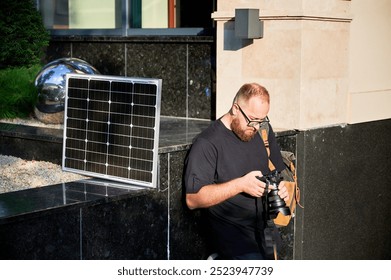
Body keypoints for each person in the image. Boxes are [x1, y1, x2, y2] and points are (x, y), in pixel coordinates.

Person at [184, 82, 289, 260]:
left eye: (262, 120)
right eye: (252, 119)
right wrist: (240, 185)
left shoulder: (262, 130)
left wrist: (282, 187)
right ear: (235, 108)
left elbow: (278, 171)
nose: (256, 126)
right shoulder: (208, 143)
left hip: (266, 231)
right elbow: (193, 199)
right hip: (233, 237)